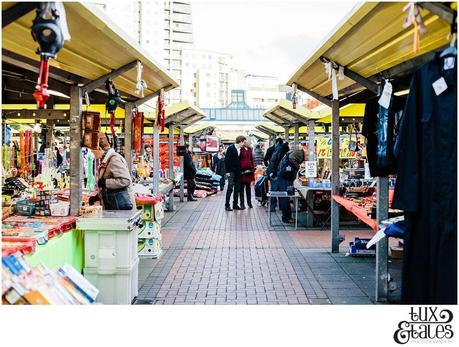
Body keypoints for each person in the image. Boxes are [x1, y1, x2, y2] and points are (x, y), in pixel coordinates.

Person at [92, 133, 135, 210]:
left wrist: (105, 183)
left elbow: (125, 180)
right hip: (115, 207)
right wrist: (98, 197)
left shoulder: (114, 159)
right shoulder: (107, 160)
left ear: (99, 149)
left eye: (92, 151)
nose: (92, 154)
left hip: (122, 208)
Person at [276, 149, 305, 223]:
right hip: (285, 177)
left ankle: (286, 216)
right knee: (286, 197)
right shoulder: (299, 153)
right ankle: (286, 218)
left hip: (284, 176)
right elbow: (291, 158)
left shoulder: (297, 153)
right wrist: (297, 167)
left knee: (285, 197)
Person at [224, 135, 246, 211]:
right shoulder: (230, 148)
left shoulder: (241, 149)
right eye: (243, 142)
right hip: (231, 171)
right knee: (230, 188)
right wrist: (227, 171)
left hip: (238, 172)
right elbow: (226, 160)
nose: (244, 144)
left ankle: (235, 204)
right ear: (240, 141)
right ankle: (227, 205)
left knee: (237, 188)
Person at [266, 142, 290, 212]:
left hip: (273, 173)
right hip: (275, 174)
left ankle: (273, 207)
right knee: (277, 191)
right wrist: (274, 172)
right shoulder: (282, 152)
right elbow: (275, 163)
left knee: (275, 190)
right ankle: (276, 207)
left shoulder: (278, 150)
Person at [239, 139, 255, 209]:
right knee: (241, 188)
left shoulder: (250, 149)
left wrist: (252, 167)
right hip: (242, 171)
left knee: (248, 188)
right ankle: (242, 204)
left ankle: (249, 203)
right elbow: (238, 159)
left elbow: (251, 159)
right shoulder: (240, 149)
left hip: (249, 170)